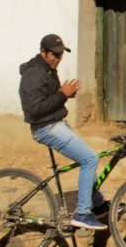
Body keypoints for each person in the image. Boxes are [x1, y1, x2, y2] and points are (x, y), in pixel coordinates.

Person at [18, 33, 108, 231]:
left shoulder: (47, 69)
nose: (57, 59)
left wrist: (64, 96)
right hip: (45, 128)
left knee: (88, 157)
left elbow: (50, 100)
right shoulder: (35, 73)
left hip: (55, 123)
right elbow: (35, 109)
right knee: (90, 159)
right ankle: (83, 213)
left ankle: (99, 205)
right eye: (54, 55)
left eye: (60, 55)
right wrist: (62, 94)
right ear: (43, 52)